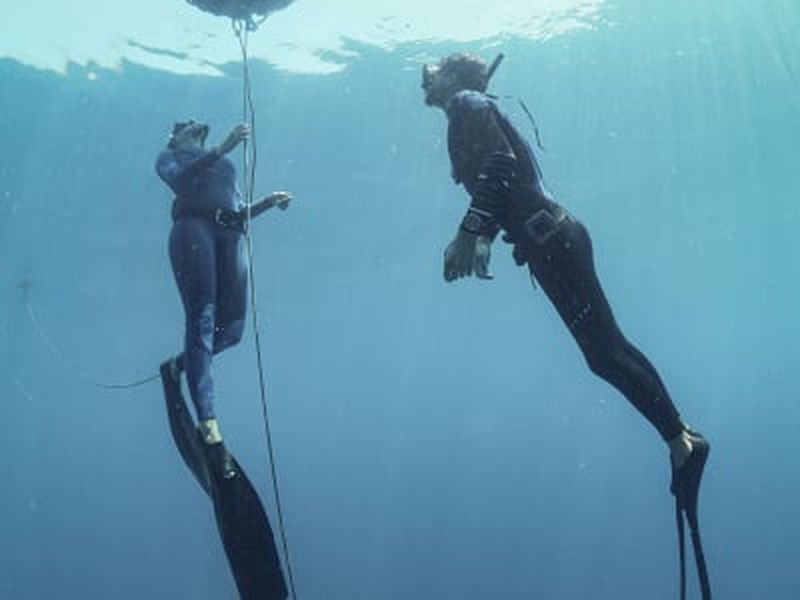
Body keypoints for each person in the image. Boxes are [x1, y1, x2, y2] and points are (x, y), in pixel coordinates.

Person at [421, 53, 711, 596]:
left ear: (456, 78)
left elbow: (501, 167)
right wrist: (486, 234)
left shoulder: (465, 104)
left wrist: (470, 232)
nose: (425, 75)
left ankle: (680, 441)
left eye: (434, 69)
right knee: (609, 349)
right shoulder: (469, 108)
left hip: (553, 242)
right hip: (554, 239)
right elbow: (506, 176)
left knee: (604, 355)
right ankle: (681, 436)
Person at [156, 119, 291, 477]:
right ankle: (209, 426)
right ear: (175, 138)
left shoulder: (220, 162)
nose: (194, 127)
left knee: (232, 331)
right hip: (193, 230)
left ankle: (178, 366)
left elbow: (234, 204)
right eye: (184, 126)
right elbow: (180, 182)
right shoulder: (169, 158)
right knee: (202, 317)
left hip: (230, 235)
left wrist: (266, 203)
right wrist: (224, 147)